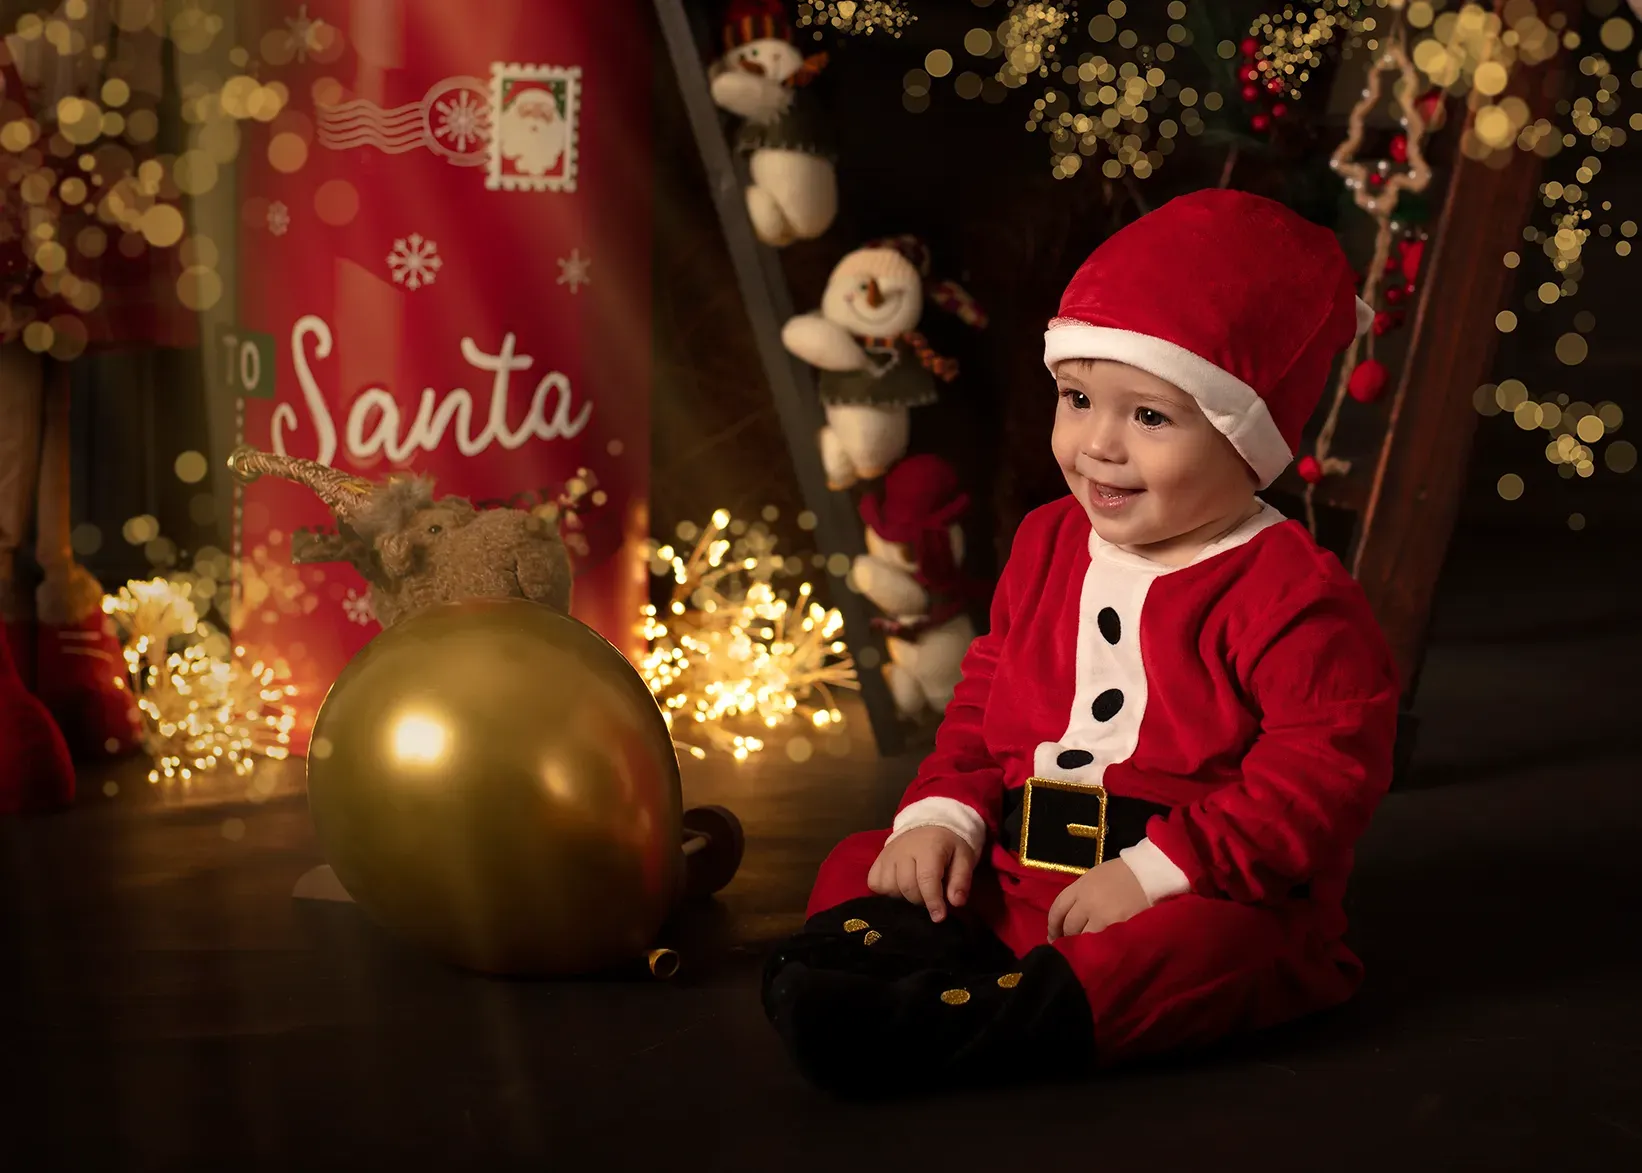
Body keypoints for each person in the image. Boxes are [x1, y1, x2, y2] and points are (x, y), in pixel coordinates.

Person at [761, 189, 1401, 1097]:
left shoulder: (1291, 592)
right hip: (1027, 866)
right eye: (1078, 397)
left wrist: (1160, 871)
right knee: (863, 859)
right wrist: (945, 813)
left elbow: (1323, 770)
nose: (1099, 444)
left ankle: (985, 1020)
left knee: (1212, 949)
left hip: (1192, 883)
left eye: (1150, 416)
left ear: (1244, 436)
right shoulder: (1047, 540)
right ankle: (911, 970)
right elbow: (986, 700)